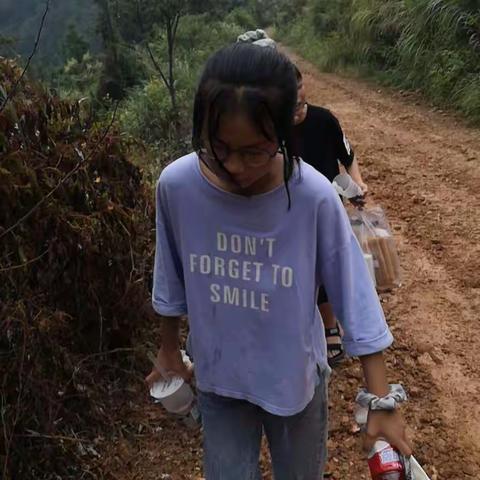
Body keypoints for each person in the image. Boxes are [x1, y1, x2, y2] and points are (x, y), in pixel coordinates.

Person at [146, 43, 411, 479]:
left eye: (254, 151)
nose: (235, 165)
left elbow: (355, 297)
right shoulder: (177, 186)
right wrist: (169, 348)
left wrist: (380, 400)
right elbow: (170, 276)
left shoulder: (312, 196)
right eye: (219, 147)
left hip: (296, 384)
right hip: (219, 379)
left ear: (286, 133)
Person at [293, 65, 368, 367]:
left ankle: (330, 325)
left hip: (330, 204)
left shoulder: (324, 120)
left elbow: (348, 157)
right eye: (289, 105)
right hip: (292, 209)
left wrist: (358, 184)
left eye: (299, 102)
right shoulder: (271, 129)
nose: (296, 110)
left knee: (326, 263)